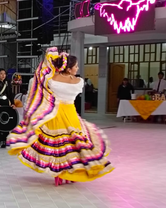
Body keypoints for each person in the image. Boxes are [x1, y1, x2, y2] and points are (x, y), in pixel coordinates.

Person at [6, 47, 114, 186]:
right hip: (71, 114)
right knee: (73, 145)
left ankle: (58, 173)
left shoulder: (51, 80)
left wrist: (50, 63)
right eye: (75, 66)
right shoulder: (79, 82)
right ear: (69, 69)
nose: (77, 68)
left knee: (57, 147)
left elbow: (40, 79)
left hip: (54, 114)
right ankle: (71, 173)